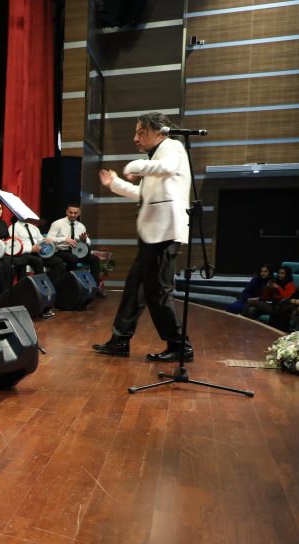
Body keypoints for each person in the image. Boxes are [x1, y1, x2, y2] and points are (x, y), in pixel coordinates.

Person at [94, 111, 191, 361]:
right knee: (135, 287)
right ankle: (120, 340)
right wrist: (115, 183)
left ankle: (180, 346)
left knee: (158, 291)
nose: (136, 138)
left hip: (164, 232)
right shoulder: (157, 156)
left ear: (160, 133)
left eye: (141, 132)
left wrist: (133, 166)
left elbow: (167, 168)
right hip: (154, 233)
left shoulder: (172, 147)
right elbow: (144, 194)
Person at [46, 203, 104, 297]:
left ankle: (95, 288)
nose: (73, 215)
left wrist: (84, 240)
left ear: (79, 213)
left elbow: (88, 242)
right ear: (66, 212)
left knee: (95, 259)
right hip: (61, 251)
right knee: (73, 259)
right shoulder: (58, 223)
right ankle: (69, 285)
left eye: (75, 213)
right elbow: (48, 239)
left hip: (77, 252)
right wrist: (65, 239)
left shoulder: (81, 226)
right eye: (70, 212)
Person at [6, 202, 66, 287]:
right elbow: (15, 247)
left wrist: (46, 241)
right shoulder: (13, 227)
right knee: (38, 261)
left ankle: (51, 286)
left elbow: (41, 240)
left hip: (38, 252)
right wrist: (31, 249)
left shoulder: (34, 227)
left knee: (58, 262)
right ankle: (39, 287)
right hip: (24, 254)